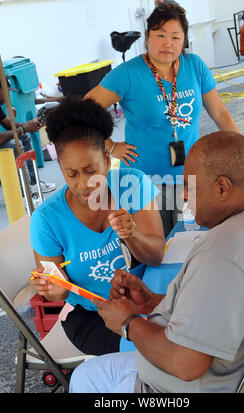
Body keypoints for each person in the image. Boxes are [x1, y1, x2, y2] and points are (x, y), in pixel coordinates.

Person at [69, 130, 244, 393]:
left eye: (190, 185)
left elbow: (185, 364)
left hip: (183, 388)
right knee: (85, 375)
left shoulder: (221, 255)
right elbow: (223, 310)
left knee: (87, 381)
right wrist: (154, 301)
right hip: (232, 371)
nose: (184, 196)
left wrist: (128, 323)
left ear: (222, 187)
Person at [84, 3, 239, 238]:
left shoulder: (195, 66)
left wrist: (243, 152)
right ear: (147, 37)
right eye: (160, 35)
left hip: (189, 177)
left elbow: (219, 112)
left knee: (188, 241)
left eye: (176, 37)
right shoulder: (127, 74)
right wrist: (110, 146)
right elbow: (84, 111)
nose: (168, 43)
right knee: (154, 247)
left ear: (184, 39)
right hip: (142, 181)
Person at [29, 97, 165, 356]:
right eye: (71, 173)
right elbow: (57, 291)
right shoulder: (46, 220)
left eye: (91, 170)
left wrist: (131, 233)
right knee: (156, 351)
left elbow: (156, 256)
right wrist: (56, 289)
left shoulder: (132, 185)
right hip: (91, 317)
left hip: (148, 299)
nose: (84, 184)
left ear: (106, 157)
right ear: (60, 167)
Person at [0, 74, 56, 193]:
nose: (8, 95)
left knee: (24, 136)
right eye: (5, 91)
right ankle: (23, 193)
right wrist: (24, 128)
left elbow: (7, 124)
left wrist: (32, 124)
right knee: (13, 145)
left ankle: (33, 184)